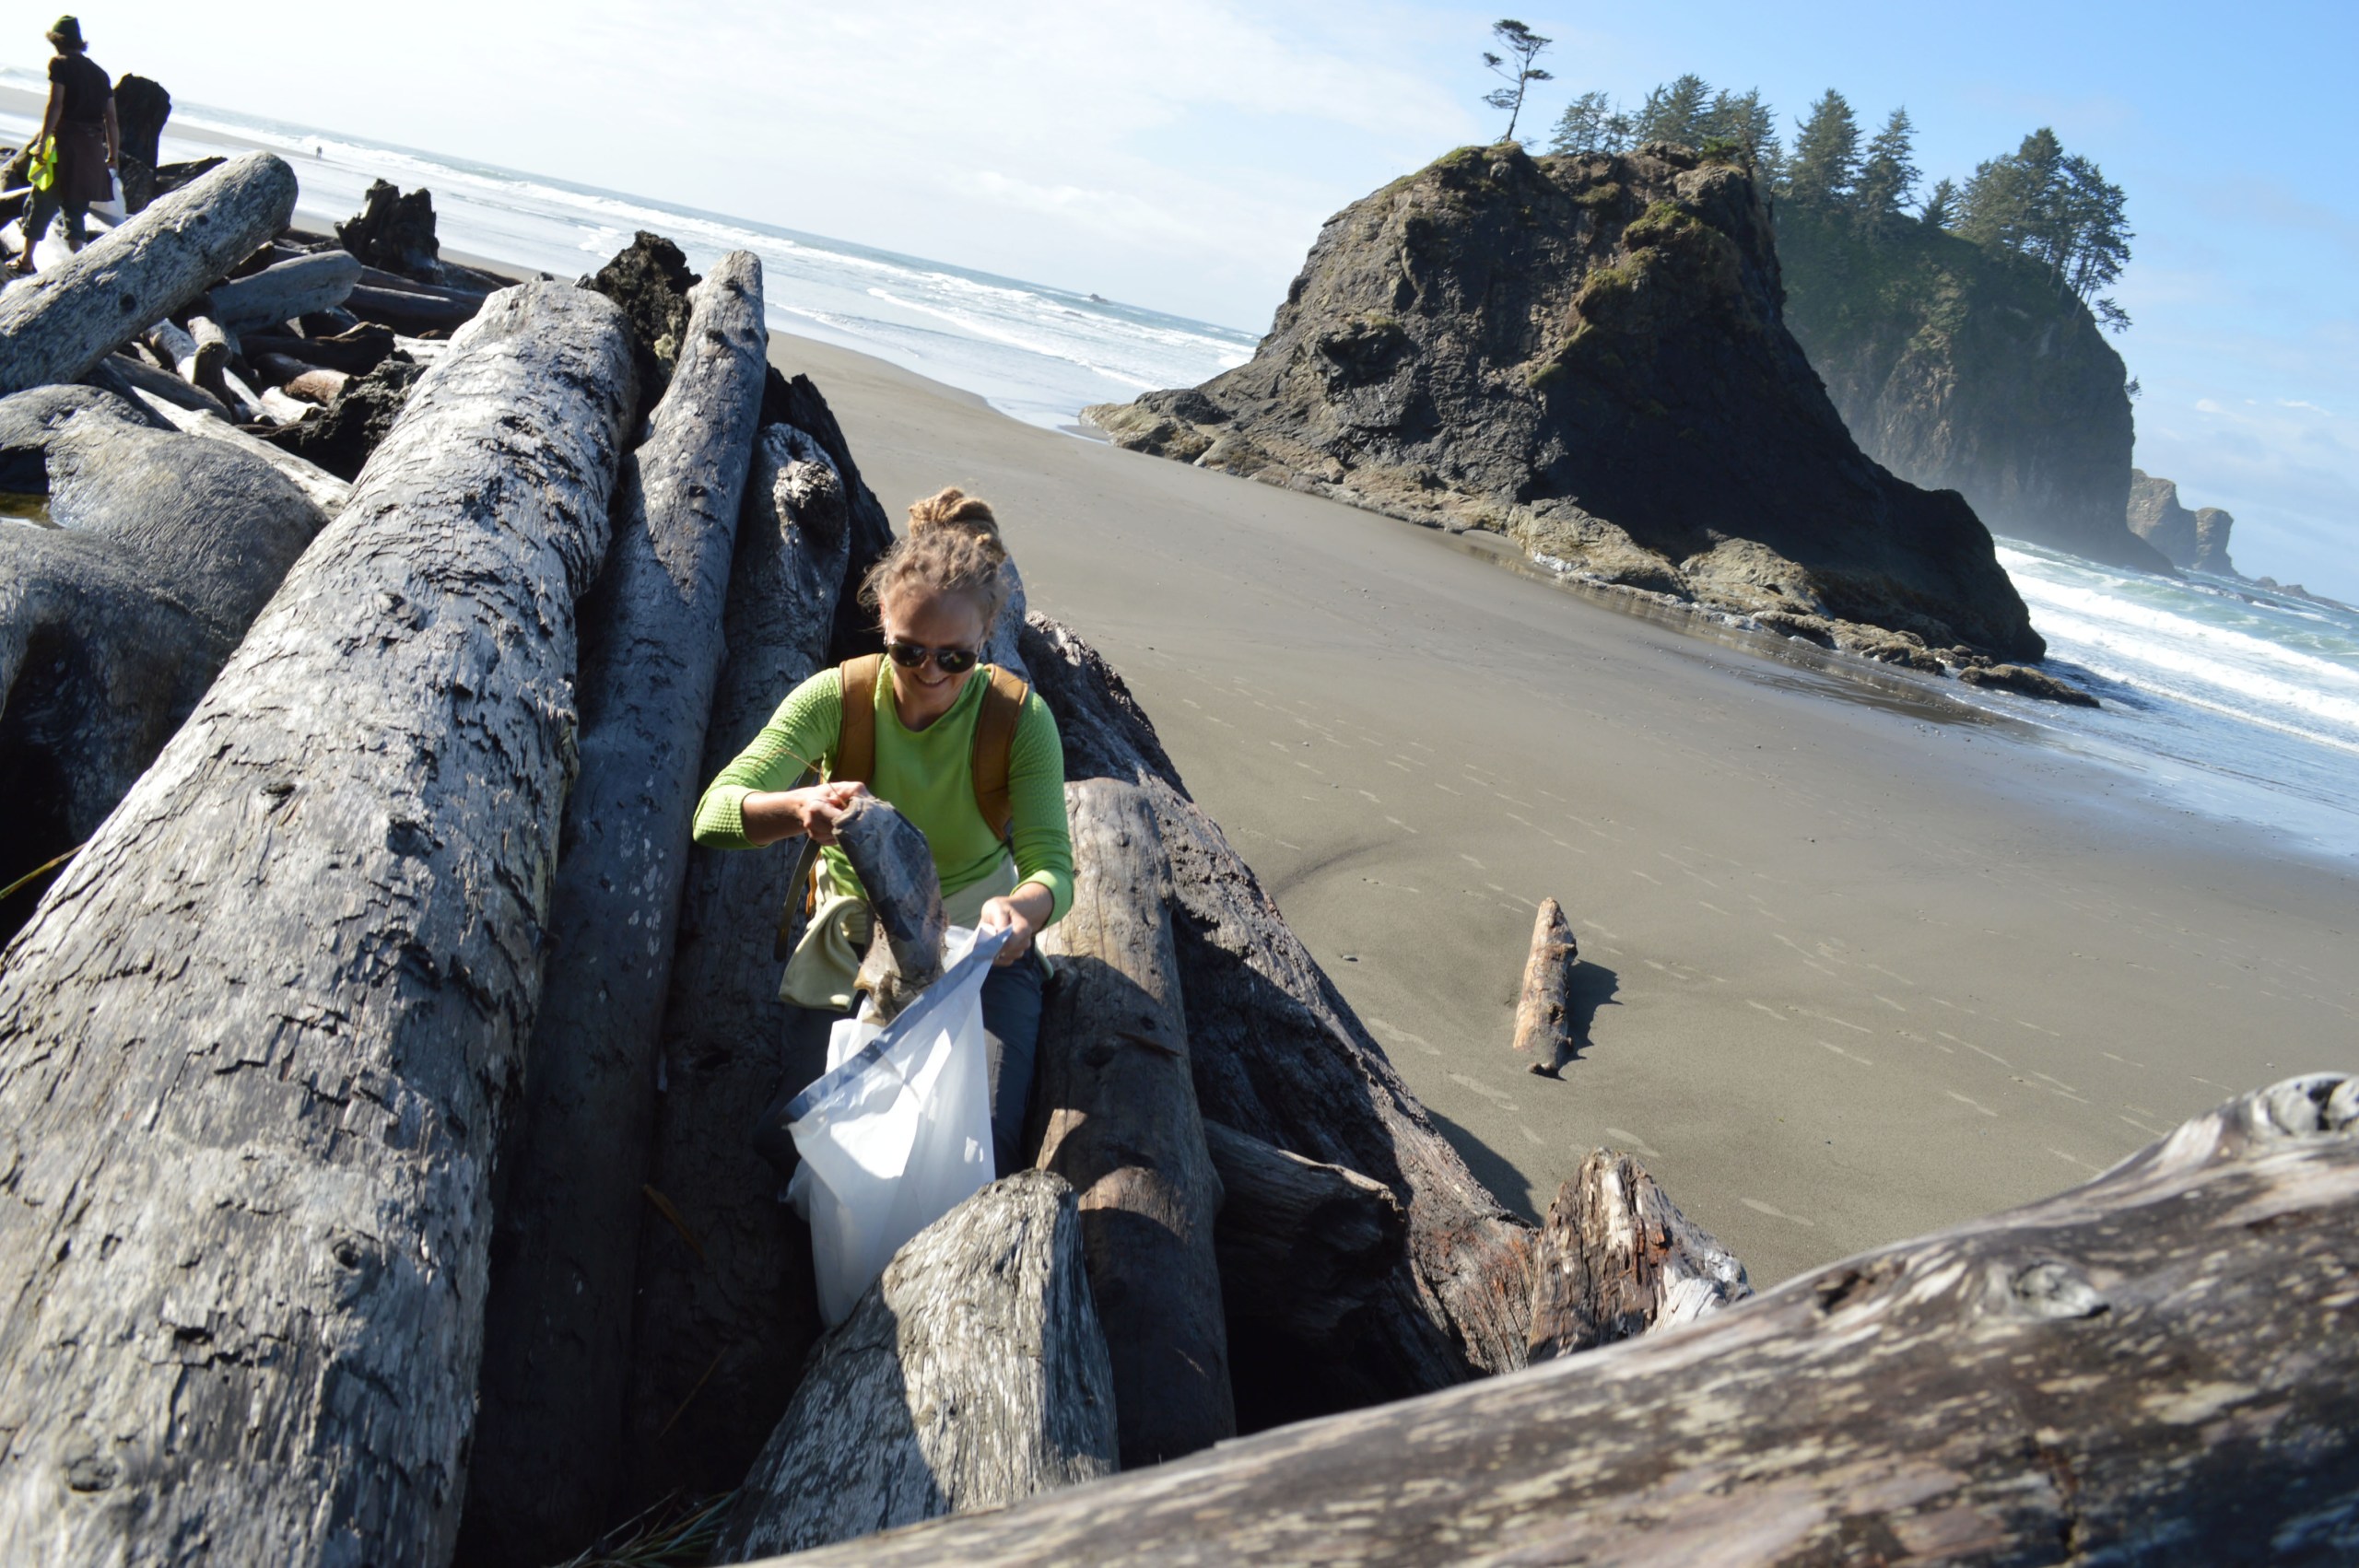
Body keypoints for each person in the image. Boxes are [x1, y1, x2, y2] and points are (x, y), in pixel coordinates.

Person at [693, 488, 1071, 1174]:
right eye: (909, 652)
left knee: (979, 1148)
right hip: (853, 946)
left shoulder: (1019, 722)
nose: (929, 674)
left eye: (954, 659)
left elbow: (1054, 868)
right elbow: (713, 814)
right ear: (882, 627)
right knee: (806, 1144)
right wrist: (799, 807)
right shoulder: (837, 698)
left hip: (975, 958)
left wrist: (1021, 911)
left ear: (986, 640)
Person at [12, 16, 117, 275]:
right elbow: (112, 120)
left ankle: (26, 260)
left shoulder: (60, 63)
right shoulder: (100, 73)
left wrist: (43, 140)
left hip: (65, 145)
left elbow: (56, 104)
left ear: (58, 41)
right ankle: (77, 267)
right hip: (92, 150)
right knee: (76, 209)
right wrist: (113, 155)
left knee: (43, 199)